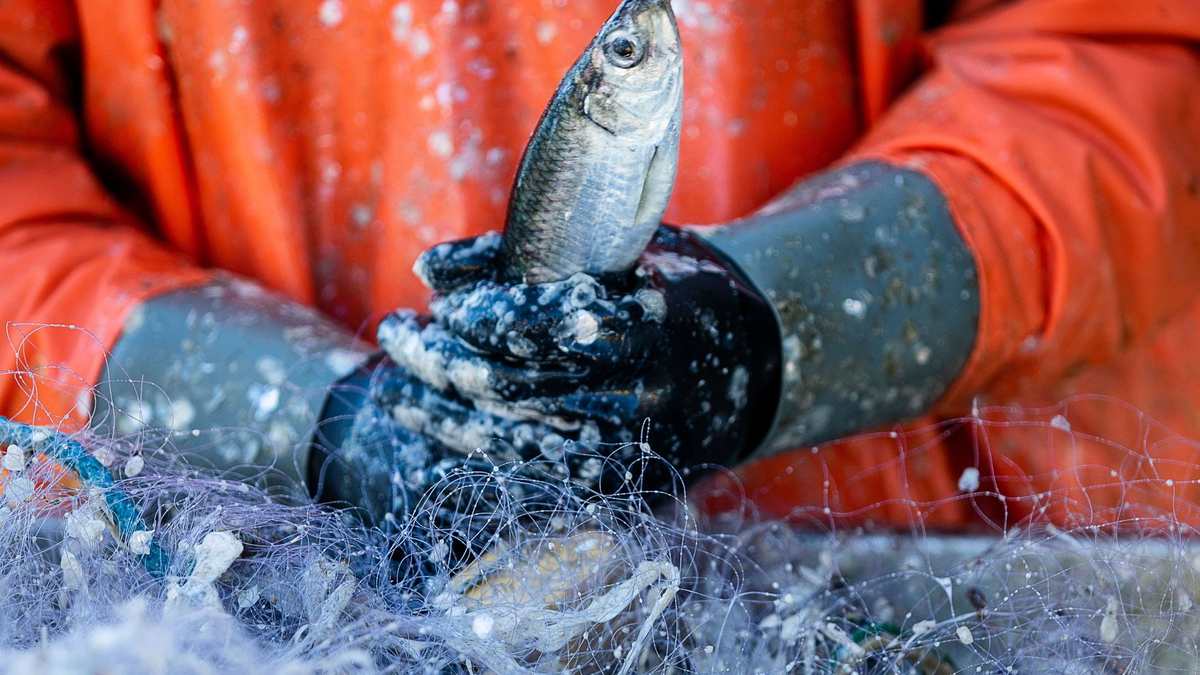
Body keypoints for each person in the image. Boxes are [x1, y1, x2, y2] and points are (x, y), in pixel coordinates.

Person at [1, 0, 1199, 532]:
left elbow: (1123, 67)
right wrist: (320, 423)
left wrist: (767, 325)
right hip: (248, 595)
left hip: (941, 569)